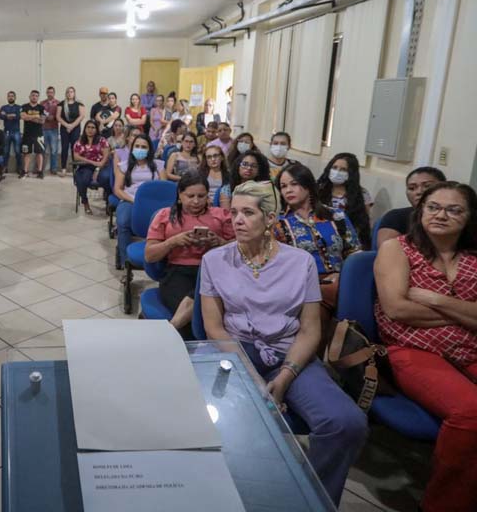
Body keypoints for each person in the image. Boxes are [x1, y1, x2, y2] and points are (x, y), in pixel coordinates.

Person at [201, 181, 367, 506]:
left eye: (248, 213)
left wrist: (286, 375)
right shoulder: (215, 260)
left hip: (289, 352)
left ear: (270, 218)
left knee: (346, 423)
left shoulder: (300, 262)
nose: (237, 220)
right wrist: (251, 377)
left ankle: (308, 500)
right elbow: (214, 328)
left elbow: (310, 330)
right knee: (221, 423)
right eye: (233, 212)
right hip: (234, 354)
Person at [374, 182, 477, 512]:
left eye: (453, 209)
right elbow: (397, 309)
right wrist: (464, 313)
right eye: (433, 207)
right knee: (471, 411)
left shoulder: (473, 257)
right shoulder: (397, 249)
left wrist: (435, 299)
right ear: (420, 211)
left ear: (469, 217)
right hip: (411, 348)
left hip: (469, 346)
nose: (441, 215)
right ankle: (441, 504)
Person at [144, 170, 234, 337]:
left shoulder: (221, 215)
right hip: (178, 272)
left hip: (214, 271)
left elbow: (240, 248)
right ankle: (176, 335)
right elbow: (150, 255)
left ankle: (170, 329)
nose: (196, 201)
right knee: (193, 320)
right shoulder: (165, 215)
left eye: (201, 196)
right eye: (190, 196)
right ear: (180, 195)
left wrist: (220, 243)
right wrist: (173, 242)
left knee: (214, 310)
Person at [275, 163, 360, 314]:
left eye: (294, 184)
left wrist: (344, 276)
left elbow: (354, 253)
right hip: (302, 286)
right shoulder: (279, 225)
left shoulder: (336, 216)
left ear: (308, 185)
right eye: (283, 186)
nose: (288, 190)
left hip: (342, 280)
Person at [113, 135, 162, 269]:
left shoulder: (158, 165)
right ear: (132, 148)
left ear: (149, 149)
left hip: (153, 201)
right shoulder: (124, 166)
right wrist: (134, 200)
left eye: (144, 147)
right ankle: (125, 261)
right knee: (123, 221)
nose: (140, 149)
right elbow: (117, 189)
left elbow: (163, 187)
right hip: (130, 200)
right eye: (137, 146)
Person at [376, 166, 446, 246]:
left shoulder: (450, 217)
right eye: (412, 188)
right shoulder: (396, 217)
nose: (419, 192)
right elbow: (386, 251)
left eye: (427, 186)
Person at [317, 153, 373, 250]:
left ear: (351, 173)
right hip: (321, 237)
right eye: (334, 168)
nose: (337, 172)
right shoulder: (318, 190)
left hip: (349, 241)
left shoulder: (361, 194)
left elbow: (364, 223)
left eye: (343, 170)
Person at [73, 120, 111, 215]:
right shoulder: (80, 141)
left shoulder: (102, 140)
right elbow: (76, 157)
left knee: (106, 178)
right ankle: (85, 202)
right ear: (85, 129)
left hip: (102, 166)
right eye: (88, 127)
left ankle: (108, 201)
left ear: (96, 129)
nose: (90, 130)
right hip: (86, 166)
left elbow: (105, 157)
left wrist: (98, 167)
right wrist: (92, 162)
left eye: (93, 127)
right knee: (81, 179)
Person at [57, 86, 85, 175]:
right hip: (64, 129)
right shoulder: (61, 104)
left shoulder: (79, 104)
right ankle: (63, 169)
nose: (70, 93)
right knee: (64, 148)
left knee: (74, 148)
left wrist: (72, 126)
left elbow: (81, 116)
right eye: (68, 92)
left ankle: (75, 169)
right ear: (66, 93)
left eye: (71, 92)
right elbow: (58, 117)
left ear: (74, 93)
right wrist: (67, 125)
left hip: (75, 128)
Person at [20, 89, 47, 178]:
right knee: (26, 153)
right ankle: (25, 171)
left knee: (39, 153)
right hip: (27, 134)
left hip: (39, 134)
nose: (34, 97)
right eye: (33, 95)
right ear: (30, 96)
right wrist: (36, 116)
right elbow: (23, 117)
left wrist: (29, 117)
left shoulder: (41, 107)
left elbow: (42, 121)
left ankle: (40, 172)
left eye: (36, 96)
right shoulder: (24, 106)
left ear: (38, 97)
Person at [0, 91, 23, 174]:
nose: (11, 97)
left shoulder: (19, 107)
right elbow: (1, 116)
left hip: (16, 131)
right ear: (7, 97)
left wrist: (8, 115)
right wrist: (12, 115)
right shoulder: (3, 107)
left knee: (18, 151)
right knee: (5, 151)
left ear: (15, 97)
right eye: (9, 96)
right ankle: (5, 167)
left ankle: (19, 168)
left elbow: (20, 116)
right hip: (7, 132)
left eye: (12, 96)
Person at [41, 86, 62, 175]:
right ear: (46, 93)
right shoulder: (42, 103)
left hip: (54, 129)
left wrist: (54, 118)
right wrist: (45, 118)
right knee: (42, 149)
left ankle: (53, 168)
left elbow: (61, 116)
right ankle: (40, 168)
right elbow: (39, 115)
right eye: (48, 92)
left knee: (54, 150)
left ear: (54, 93)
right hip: (43, 129)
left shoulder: (58, 103)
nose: (50, 94)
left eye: (51, 92)